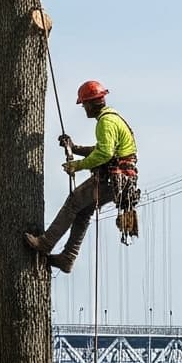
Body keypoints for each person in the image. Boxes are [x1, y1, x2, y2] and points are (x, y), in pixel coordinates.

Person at [24, 80, 137, 274]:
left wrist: (77, 166)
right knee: (83, 212)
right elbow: (101, 150)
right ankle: (68, 257)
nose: (83, 108)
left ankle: (45, 243)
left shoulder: (106, 122)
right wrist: (74, 148)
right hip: (121, 182)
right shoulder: (112, 118)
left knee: (74, 202)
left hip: (113, 180)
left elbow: (104, 154)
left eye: (84, 104)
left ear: (92, 103)